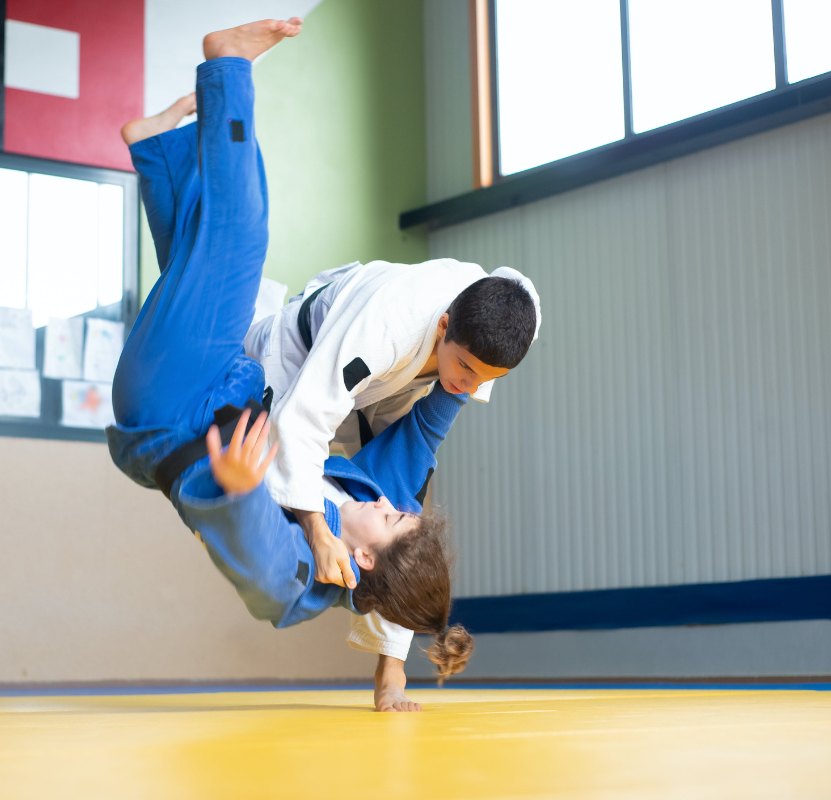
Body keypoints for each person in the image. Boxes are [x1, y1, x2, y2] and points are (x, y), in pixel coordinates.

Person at [106, 19, 473, 684]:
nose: (396, 504)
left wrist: (243, 492)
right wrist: (468, 369)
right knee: (203, 258)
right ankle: (157, 149)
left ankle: (228, 68)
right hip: (227, 375)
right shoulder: (372, 499)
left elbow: (256, 561)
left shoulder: (300, 582)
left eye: (393, 520)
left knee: (238, 238)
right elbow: (427, 426)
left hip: (172, 407)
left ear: (362, 560)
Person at [243, 205, 541, 711]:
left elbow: (430, 426)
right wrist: (318, 534)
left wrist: (457, 380)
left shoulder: (508, 321)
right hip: (303, 351)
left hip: (396, 383)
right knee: (274, 450)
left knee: (405, 514)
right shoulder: (388, 320)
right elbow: (303, 419)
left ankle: (390, 671)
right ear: (444, 324)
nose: (469, 385)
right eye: (465, 367)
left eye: (485, 378)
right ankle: (248, 308)